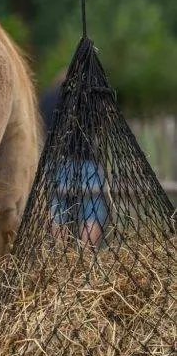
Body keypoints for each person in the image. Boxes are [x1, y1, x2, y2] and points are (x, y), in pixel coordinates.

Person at [40, 71, 108, 246]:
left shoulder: (47, 98)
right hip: (87, 163)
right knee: (92, 212)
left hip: (55, 163)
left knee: (57, 212)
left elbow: (40, 129)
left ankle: (65, 257)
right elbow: (101, 129)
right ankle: (85, 255)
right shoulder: (90, 97)